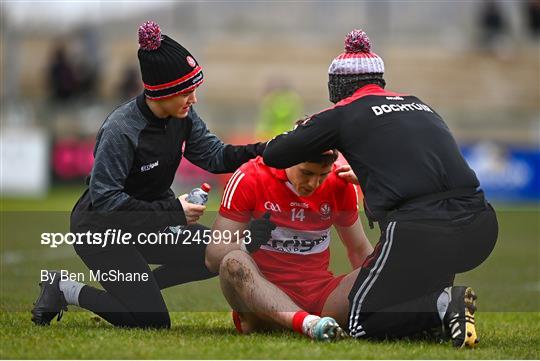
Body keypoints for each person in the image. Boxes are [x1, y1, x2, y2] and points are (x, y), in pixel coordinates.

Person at [262, 29, 498, 348]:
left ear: (336, 86)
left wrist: (304, 130)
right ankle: (440, 312)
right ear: (380, 81)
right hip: (481, 227)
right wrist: (371, 178)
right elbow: (427, 165)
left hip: (422, 231)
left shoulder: (342, 113)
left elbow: (278, 155)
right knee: (408, 289)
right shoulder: (418, 104)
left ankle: (441, 305)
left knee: (361, 322)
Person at [31, 21, 267, 329]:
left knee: (220, 251)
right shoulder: (121, 129)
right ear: (161, 91)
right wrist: (173, 211)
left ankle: (137, 294)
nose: (193, 99)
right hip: (102, 232)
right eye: (186, 92)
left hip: (153, 222)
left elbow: (216, 155)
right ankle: (63, 287)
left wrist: (269, 150)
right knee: (151, 321)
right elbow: (106, 202)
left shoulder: (183, 115)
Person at [205, 150, 373, 341]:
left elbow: (359, 250)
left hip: (321, 301)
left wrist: (375, 189)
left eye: (322, 175)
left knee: (382, 265)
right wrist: (247, 243)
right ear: (288, 159)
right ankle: (308, 324)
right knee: (233, 260)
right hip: (261, 306)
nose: (313, 184)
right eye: (307, 173)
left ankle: (311, 323)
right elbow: (213, 257)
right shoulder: (250, 176)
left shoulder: (340, 181)